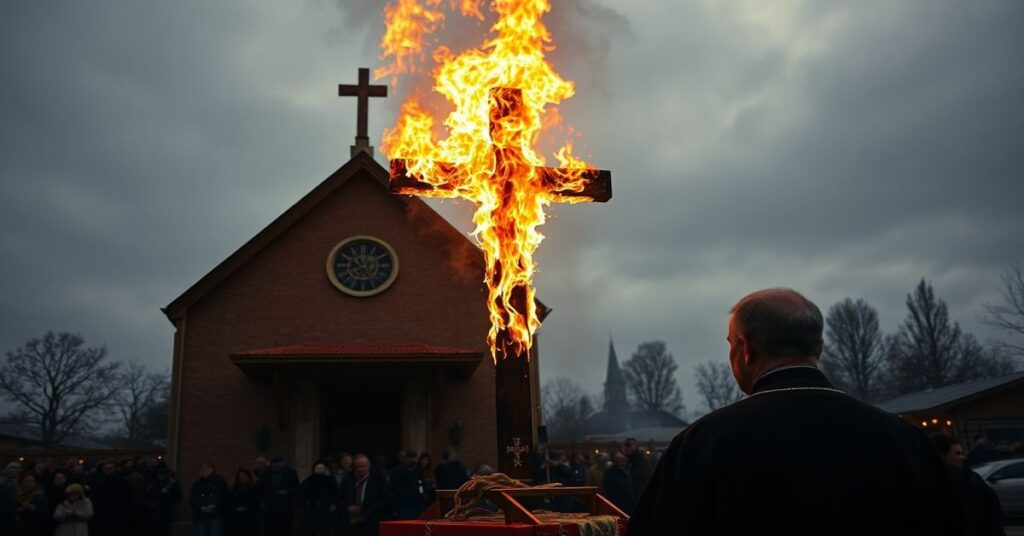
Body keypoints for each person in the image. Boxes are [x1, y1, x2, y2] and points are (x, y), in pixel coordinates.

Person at [630, 288, 966, 535]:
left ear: (746, 349)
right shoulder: (904, 438)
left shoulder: (704, 443)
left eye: (731, 344)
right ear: (818, 347)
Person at [931, 433, 1006, 536]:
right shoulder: (933, 484)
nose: (963, 457)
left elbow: (992, 509)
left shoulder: (972, 478)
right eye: (957, 454)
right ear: (942, 456)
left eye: (962, 453)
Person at [340, 454, 390, 536]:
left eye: (362, 466)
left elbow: (385, 499)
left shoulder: (378, 479)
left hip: (372, 520)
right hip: (351, 522)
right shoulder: (348, 479)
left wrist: (366, 514)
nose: (360, 469)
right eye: (357, 467)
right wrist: (347, 507)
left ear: (368, 466)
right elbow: (340, 498)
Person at [256, 454, 299, 536]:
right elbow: (259, 488)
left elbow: (296, 487)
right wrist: (262, 502)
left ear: (283, 462)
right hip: (269, 507)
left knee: (284, 530)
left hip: (285, 507)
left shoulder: (291, 472)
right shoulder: (266, 472)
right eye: (274, 463)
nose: (276, 465)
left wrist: (287, 492)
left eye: (279, 462)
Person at [297, 461, 337, 536]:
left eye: (321, 468)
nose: (319, 470)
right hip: (312, 508)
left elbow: (335, 493)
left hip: (326, 509)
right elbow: (302, 491)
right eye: (318, 468)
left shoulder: (331, 479)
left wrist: (333, 504)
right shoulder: (310, 479)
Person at [190, 463, 229, 536]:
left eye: (207, 468)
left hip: (215, 515)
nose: (205, 471)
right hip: (200, 516)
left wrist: (214, 505)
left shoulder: (219, 481)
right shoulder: (198, 484)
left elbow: (225, 496)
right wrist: (200, 507)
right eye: (203, 469)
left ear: (212, 469)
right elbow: (193, 499)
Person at [144, 462, 182, 536]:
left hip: (163, 513)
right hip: (157, 513)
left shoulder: (171, 482)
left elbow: (178, 497)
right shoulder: (153, 481)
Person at [12, 472, 49, 536]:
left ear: (35, 483)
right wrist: (19, 509)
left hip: (33, 530)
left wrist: (32, 508)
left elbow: (45, 514)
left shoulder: (40, 497)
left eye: (31, 481)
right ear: (21, 483)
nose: (27, 484)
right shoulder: (15, 496)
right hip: (16, 529)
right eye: (25, 481)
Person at [225, 468, 260, 536]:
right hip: (236, 522)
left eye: (244, 476)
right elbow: (229, 504)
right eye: (240, 476)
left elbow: (255, 503)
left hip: (250, 521)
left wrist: (246, 508)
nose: (242, 478)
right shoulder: (234, 490)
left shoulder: (253, 490)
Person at [389, 451, 420, 520]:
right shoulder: (397, 471)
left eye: (415, 458)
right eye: (412, 458)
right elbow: (393, 488)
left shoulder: (415, 471)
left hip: (415, 504)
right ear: (407, 459)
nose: (415, 461)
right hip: (403, 505)